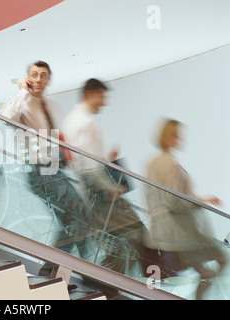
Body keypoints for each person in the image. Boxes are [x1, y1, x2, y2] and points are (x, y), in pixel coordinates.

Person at [0, 61, 93, 270]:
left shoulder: (52, 105)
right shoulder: (20, 102)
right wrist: (23, 91)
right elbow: (6, 118)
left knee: (74, 219)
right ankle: (86, 269)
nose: (38, 79)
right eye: (34, 75)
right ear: (27, 78)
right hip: (38, 170)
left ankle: (55, 270)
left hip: (56, 169)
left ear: (49, 80)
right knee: (78, 213)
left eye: (43, 75)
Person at [62, 78, 148, 275]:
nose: (104, 102)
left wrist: (106, 159)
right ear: (90, 94)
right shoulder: (85, 122)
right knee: (137, 234)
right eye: (102, 96)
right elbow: (89, 167)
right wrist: (110, 188)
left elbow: (83, 160)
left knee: (119, 246)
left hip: (92, 192)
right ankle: (112, 285)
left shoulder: (72, 120)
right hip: (100, 194)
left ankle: (109, 286)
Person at [145, 119, 227, 299]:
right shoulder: (170, 164)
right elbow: (173, 199)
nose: (179, 139)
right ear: (166, 138)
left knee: (205, 271)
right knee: (221, 259)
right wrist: (201, 200)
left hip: (166, 231)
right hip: (180, 231)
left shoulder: (152, 162)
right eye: (175, 135)